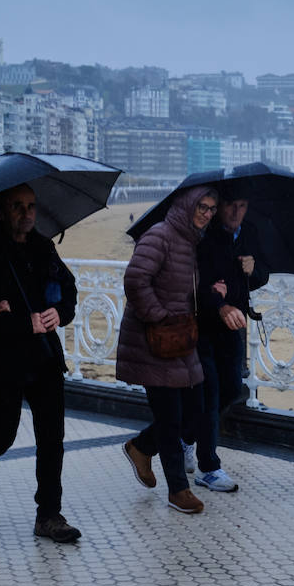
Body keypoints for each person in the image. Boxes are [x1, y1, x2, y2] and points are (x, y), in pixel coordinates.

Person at [0, 184, 82, 544]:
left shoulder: (42, 246)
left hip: (45, 358)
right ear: (2, 210)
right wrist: (20, 319)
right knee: (1, 435)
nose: (27, 213)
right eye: (18, 207)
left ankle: (49, 515)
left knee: (52, 439)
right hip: (3, 360)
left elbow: (68, 289)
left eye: (32, 206)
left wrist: (58, 314)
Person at [116, 186, 218, 514]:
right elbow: (134, 279)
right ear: (187, 205)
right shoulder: (160, 235)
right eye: (201, 206)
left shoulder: (191, 241)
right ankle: (178, 490)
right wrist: (158, 316)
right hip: (153, 342)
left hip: (179, 339)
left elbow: (181, 290)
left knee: (195, 413)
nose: (206, 213)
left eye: (211, 209)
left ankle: (141, 447)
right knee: (171, 418)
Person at [180, 194, 269, 491]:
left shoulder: (250, 233)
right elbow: (191, 283)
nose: (236, 210)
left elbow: (259, 277)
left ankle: (186, 434)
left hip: (234, 327)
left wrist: (252, 270)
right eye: (230, 205)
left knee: (232, 388)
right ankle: (209, 467)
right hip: (204, 325)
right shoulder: (204, 237)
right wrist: (217, 302)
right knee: (211, 392)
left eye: (242, 205)